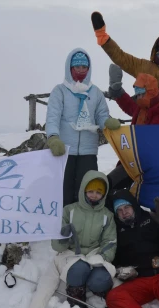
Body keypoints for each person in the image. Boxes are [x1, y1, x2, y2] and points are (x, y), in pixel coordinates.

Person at [28, 171, 117, 308]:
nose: (94, 195)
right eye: (91, 191)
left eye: (98, 192)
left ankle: (100, 296)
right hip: (71, 254)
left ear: (104, 194)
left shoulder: (107, 215)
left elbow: (110, 240)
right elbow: (56, 245)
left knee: (101, 280)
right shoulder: (69, 210)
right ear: (83, 190)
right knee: (79, 269)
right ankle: (76, 297)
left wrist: (104, 256)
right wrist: (62, 238)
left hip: (95, 255)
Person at [45, 49, 120, 206]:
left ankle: (82, 227)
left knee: (86, 190)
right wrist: (53, 137)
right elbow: (53, 116)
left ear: (89, 68)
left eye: (84, 67)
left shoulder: (95, 92)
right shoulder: (60, 91)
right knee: (63, 190)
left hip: (88, 151)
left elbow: (101, 114)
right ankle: (62, 224)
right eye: (77, 67)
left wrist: (106, 121)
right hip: (64, 151)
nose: (80, 70)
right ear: (70, 68)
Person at [105, 64, 159, 191]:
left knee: (155, 201)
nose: (138, 96)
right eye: (137, 93)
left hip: (156, 168)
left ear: (150, 91)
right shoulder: (142, 108)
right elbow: (130, 107)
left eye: (141, 93)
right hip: (135, 163)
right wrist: (118, 92)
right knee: (108, 185)